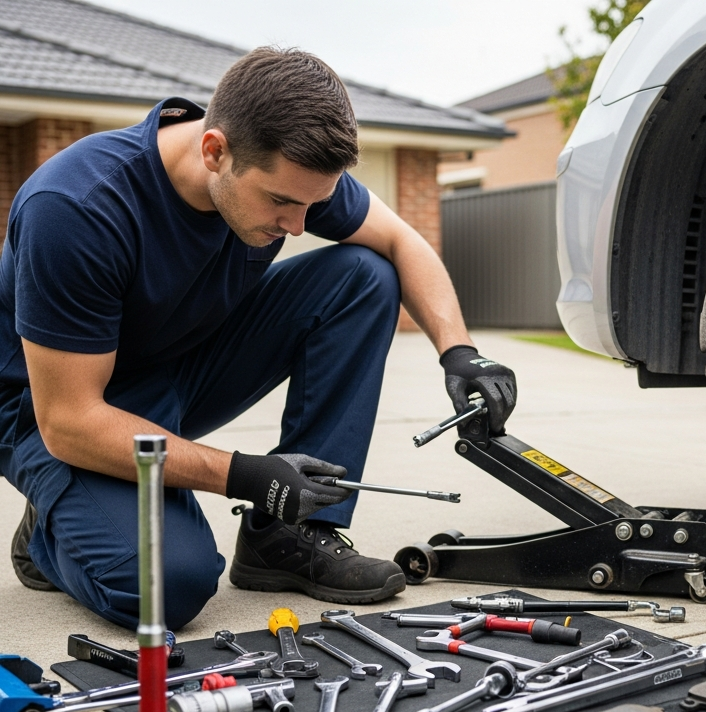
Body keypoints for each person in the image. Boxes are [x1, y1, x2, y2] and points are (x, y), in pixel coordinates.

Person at [0, 47, 517, 630]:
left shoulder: (286, 170)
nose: (298, 226)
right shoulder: (77, 208)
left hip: (176, 365)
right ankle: (50, 530)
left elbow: (402, 241)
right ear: (215, 150)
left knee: (365, 275)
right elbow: (69, 419)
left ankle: (289, 536)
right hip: (53, 411)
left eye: (313, 205)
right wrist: (243, 474)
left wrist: (461, 351)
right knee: (170, 585)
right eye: (281, 203)